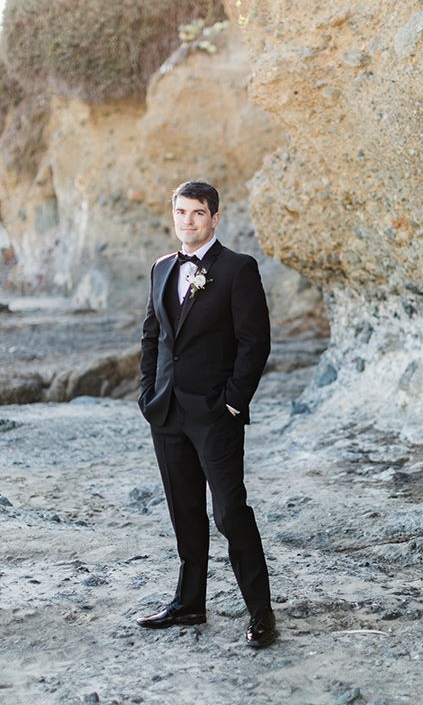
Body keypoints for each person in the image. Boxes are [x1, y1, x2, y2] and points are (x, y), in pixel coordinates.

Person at [136, 180, 276, 648]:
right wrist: (147, 394)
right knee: (184, 512)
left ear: (215, 218)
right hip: (167, 411)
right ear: (172, 215)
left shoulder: (238, 268)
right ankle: (189, 602)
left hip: (216, 413)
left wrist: (233, 402)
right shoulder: (160, 269)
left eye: (198, 213)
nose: (188, 221)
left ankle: (260, 613)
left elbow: (255, 342)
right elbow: (152, 337)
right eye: (181, 212)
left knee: (230, 512)